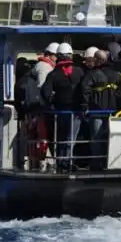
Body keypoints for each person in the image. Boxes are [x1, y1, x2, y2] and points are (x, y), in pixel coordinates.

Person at [40, 42, 85, 170]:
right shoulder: (79, 71)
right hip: (76, 111)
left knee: (60, 137)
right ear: (71, 56)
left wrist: (53, 101)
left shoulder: (53, 74)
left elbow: (46, 92)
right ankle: (68, 161)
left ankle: (61, 162)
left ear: (59, 56)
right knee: (71, 138)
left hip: (61, 111)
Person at [80, 49, 121, 169]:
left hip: (96, 112)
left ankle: (96, 165)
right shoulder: (116, 74)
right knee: (111, 139)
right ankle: (111, 164)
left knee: (96, 140)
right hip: (113, 114)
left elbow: (85, 90)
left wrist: (84, 107)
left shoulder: (92, 74)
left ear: (98, 60)